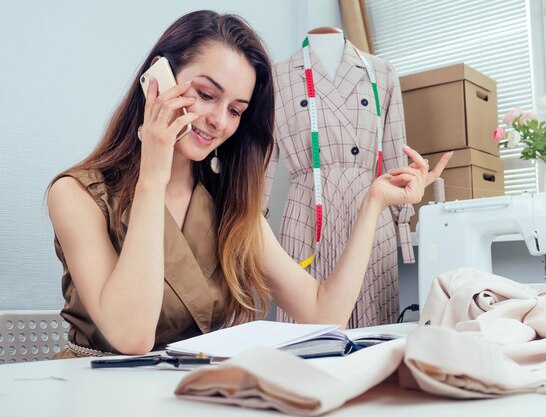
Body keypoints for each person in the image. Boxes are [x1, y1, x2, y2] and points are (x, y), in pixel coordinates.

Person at [47, 10, 451, 359]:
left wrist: (375, 201)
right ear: (158, 79)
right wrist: (155, 171)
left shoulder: (229, 203)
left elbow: (321, 312)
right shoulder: (76, 194)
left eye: (236, 110)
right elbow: (132, 337)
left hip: (191, 393)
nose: (220, 122)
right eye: (206, 94)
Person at [266, 28, 416, 328]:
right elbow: (263, 162)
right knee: (308, 335)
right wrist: (247, 232)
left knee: (376, 340)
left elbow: (394, 159)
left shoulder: (382, 72)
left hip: (372, 210)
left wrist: (403, 224)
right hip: (307, 215)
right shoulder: (276, 76)